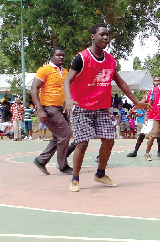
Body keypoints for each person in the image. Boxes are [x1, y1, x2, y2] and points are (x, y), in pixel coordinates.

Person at [63, 23, 148, 192]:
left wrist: (136, 101)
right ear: (93, 36)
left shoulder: (110, 60)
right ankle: (75, 178)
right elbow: (67, 80)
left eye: (108, 35)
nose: (106, 37)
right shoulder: (81, 58)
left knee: (109, 140)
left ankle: (100, 174)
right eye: (102, 34)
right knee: (82, 144)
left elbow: (121, 82)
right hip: (82, 108)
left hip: (101, 108)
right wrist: (69, 99)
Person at [31, 47, 73, 175]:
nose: (61, 57)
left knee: (58, 137)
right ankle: (62, 165)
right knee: (65, 134)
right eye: (58, 55)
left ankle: (41, 160)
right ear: (52, 57)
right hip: (48, 107)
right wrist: (39, 109)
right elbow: (34, 88)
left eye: (63, 55)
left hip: (60, 108)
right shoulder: (45, 70)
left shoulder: (65, 72)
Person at [126, 76, 160, 158]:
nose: (156, 82)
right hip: (150, 116)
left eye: (158, 80)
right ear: (153, 82)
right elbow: (141, 102)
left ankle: (159, 151)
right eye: (155, 80)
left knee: (159, 134)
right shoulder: (149, 93)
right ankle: (135, 151)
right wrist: (133, 108)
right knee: (142, 133)